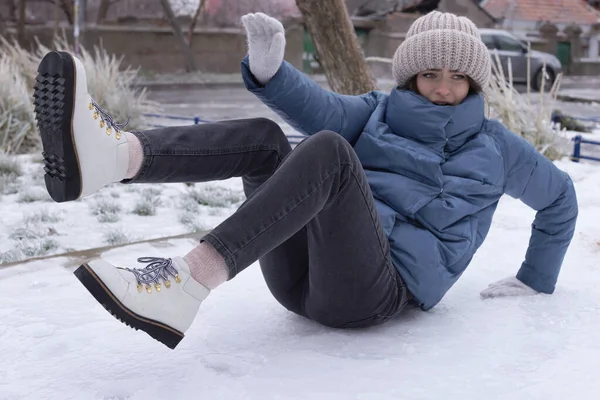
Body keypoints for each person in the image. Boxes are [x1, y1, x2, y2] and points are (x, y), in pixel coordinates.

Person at [32, 11, 578, 350]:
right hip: (301, 280)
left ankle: (188, 280)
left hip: (377, 296)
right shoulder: (379, 112)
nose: (441, 87)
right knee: (269, 140)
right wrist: (271, 71)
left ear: (474, 82)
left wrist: (536, 276)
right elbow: (318, 107)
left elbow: (560, 200)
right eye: (429, 74)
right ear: (411, 75)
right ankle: (115, 156)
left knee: (329, 155)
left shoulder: (498, 147)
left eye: (456, 77)